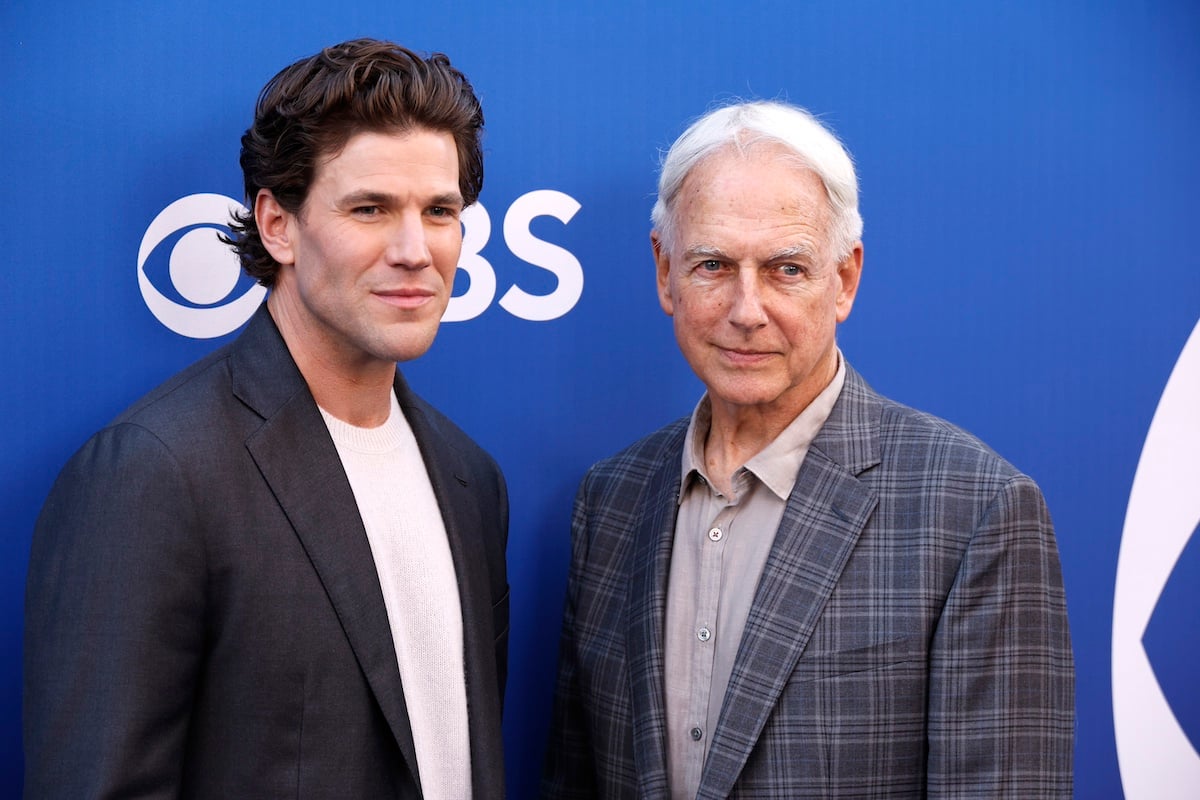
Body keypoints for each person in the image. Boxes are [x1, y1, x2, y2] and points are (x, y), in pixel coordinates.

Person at [542, 100, 1073, 799]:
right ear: (664, 270)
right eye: (712, 265)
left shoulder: (974, 511)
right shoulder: (610, 502)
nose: (747, 308)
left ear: (844, 279)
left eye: (786, 269)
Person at [25, 39, 508, 799]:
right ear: (277, 225)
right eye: (371, 208)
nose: (416, 250)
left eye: (439, 211)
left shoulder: (471, 479)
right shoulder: (155, 470)